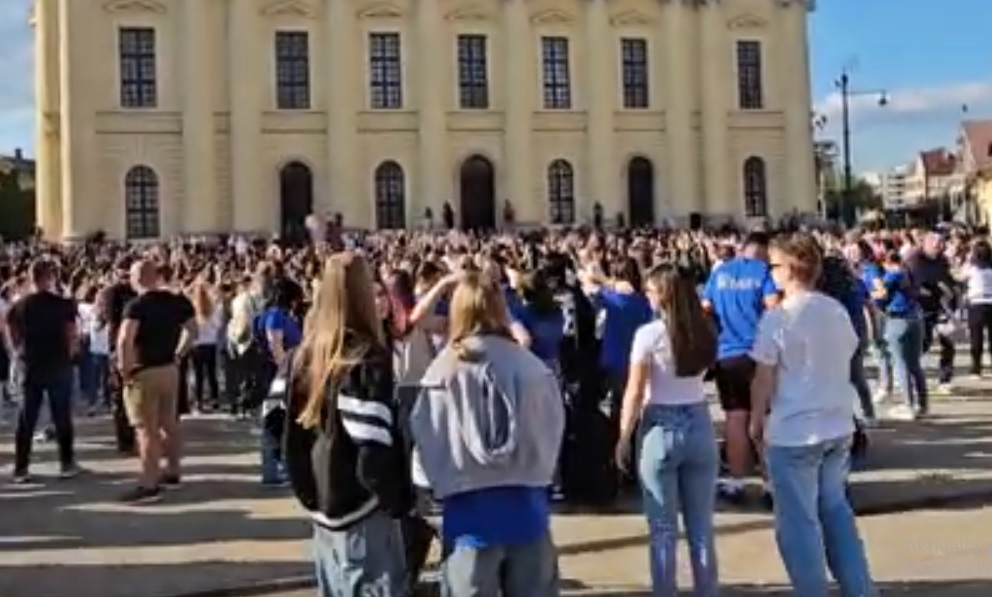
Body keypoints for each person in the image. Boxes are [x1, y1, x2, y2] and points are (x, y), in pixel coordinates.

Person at [410, 271, 564, 597]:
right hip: (528, 512)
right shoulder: (532, 368)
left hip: (468, 518)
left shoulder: (443, 372)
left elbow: (425, 449)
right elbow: (552, 432)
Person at [750, 234, 876, 597]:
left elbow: (763, 378)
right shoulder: (835, 310)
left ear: (790, 269)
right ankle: (860, 589)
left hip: (794, 431)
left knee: (798, 524)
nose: (770, 273)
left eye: (773, 266)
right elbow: (850, 352)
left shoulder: (779, 319)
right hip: (837, 425)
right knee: (836, 512)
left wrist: (757, 420)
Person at [283, 252, 412, 597]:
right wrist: (398, 500)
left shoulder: (301, 357)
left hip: (325, 512)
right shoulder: (365, 360)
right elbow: (371, 450)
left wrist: (309, 494)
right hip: (363, 511)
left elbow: (279, 431)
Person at [616, 263, 719, 597]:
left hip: (660, 422)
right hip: (699, 419)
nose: (647, 295)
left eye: (650, 290)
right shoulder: (705, 330)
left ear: (663, 294)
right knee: (701, 528)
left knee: (662, 529)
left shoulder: (648, 335)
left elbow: (634, 391)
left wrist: (623, 436)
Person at [702, 232, 779, 505]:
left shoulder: (720, 272)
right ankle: (771, 484)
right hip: (759, 354)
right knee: (765, 417)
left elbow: (706, 308)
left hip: (727, 353)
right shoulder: (763, 272)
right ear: (763, 252)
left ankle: (736, 482)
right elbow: (774, 307)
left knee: (735, 418)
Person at [117, 260, 196, 503]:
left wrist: (125, 369)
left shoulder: (136, 306)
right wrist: (179, 354)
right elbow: (193, 330)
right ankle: (173, 470)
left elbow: (124, 340)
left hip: (144, 371)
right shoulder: (176, 301)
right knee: (169, 423)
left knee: (146, 430)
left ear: (136, 278)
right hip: (169, 369)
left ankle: (149, 483)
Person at [5, 258, 82, 483]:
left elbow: (9, 330)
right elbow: (71, 333)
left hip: (29, 364)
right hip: (57, 364)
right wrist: (70, 355)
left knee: (26, 418)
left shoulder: (18, 306)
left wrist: (17, 351)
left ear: (31, 278)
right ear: (50, 278)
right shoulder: (63, 304)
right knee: (61, 417)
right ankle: (66, 464)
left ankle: (21, 468)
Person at [873, 247, 928, 420]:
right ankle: (922, 404)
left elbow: (881, 294)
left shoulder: (893, 274)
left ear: (887, 263)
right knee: (915, 365)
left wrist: (871, 293)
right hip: (916, 319)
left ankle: (908, 406)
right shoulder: (911, 274)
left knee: (900, 364)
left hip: (897, 320)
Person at [960, 239, 992, 376]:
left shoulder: (971, 268)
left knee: (976, 338)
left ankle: (976, 368)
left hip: (976, 304)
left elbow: (960, 277)